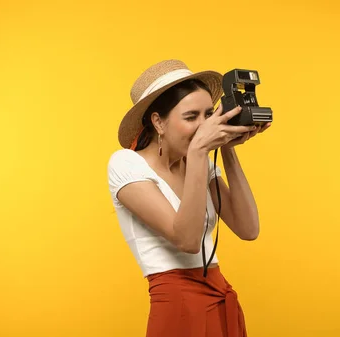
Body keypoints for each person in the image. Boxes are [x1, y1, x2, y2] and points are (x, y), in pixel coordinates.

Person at [107, 59, 271, 337]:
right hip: (178, 303)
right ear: (158, 122)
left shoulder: (198, 164)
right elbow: (188, 240)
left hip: (220, 294)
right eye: (191, 116)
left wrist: (228, 148)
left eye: (209, 115)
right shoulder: (126, 164)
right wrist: (199, 152)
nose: (203, 126)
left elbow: (248, 229)